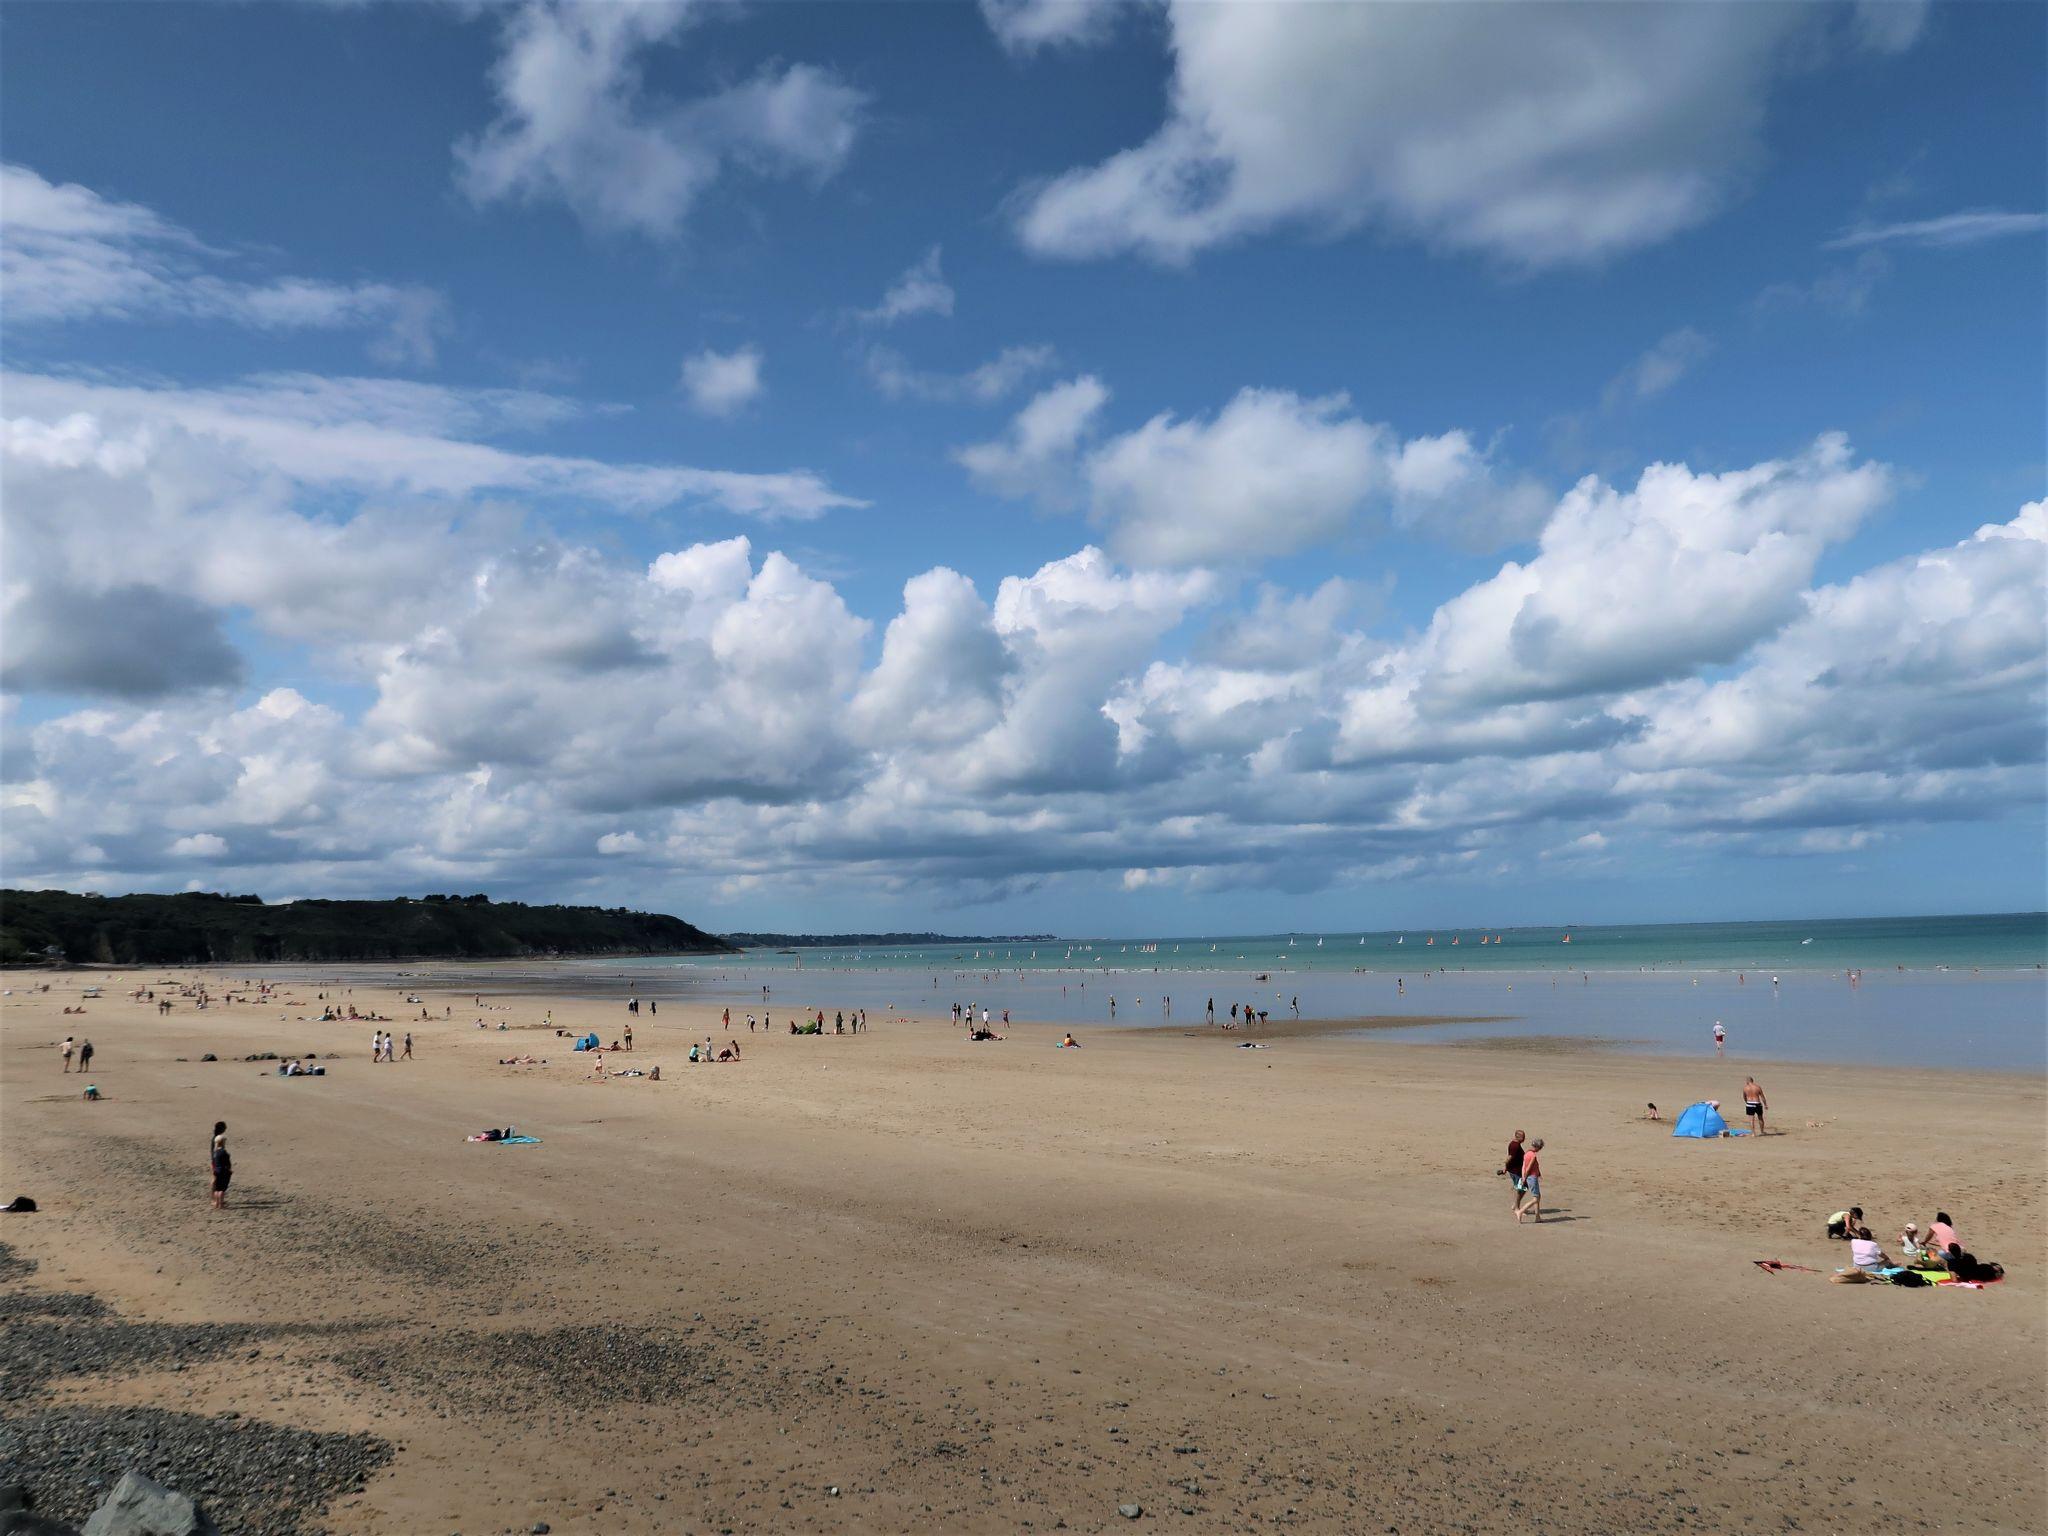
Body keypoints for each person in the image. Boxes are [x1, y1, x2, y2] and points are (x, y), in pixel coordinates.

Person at [1513, 1138, 1545, 1223]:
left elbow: (1524, 1166)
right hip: (1532, 1178)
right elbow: (1529, 1168)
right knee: (1536, 1198)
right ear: (1538, 1147)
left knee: (1537, 1196)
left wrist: (1524, 1177)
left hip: (1529, 1177)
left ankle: (1537, 1217)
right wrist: (1525, 1177)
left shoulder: (1527, 1153)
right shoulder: (1533, 1156)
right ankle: (1521, 1211)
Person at [210, 1122, 232, 1210]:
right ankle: (216, 1201)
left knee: (215, 1181)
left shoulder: (215, 1138)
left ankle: (216, 1200)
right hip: (217, 1164)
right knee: (217, 1183)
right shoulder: (216, 1139)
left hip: (215, 1163)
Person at [1504, 1130, 1526, 1203]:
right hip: (1515, 1171)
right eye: (1523, 1137)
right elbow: (1509, 1157)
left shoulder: (1515, 1144)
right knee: (1521, 1190)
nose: (1524, 1139)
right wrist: (1505, 1168)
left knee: (1521, 1188)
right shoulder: (1515, 1146)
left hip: (1516, 1170)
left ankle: (1516, 1206)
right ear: (1518, 1137)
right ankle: (1516, 1207)